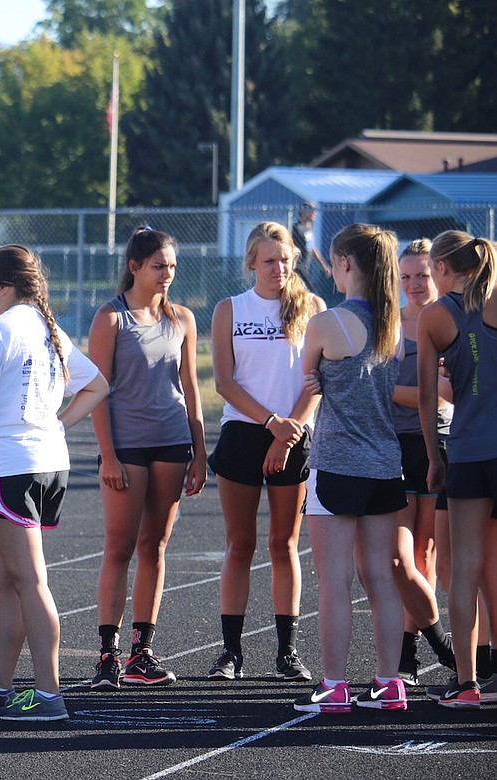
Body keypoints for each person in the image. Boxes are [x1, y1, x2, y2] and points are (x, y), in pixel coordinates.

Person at [0, 244, 107, 722]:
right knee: (8, 580)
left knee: (29, 581)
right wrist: (54, 424)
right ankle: (0, 684)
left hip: (11, 465)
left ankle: (50, 695)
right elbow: (97, 386)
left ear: (3, 286)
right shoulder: (47, 327)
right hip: (45, 462)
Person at [293, 223, 407, 714]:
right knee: (381, 577)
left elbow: (309, 377)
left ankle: (335, 685)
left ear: (344, 264)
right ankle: (390, 683)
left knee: (334, 580)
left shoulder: (325, 323)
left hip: (338, 465)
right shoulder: (395, 326)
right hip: (385, 464)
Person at [87, 226, 207, 688]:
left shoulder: (182, 318)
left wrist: (200, 453)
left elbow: (192, 390)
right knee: (119, 547)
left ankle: (142, 652)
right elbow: (97, 391)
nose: (167, 274)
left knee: (154, 546)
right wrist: (108, 456)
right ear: (134, 266)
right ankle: (107, 655)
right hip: (128, 445)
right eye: (159, 266)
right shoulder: (111, 318)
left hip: (172, 441)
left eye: (172, 266)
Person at [206, 222, 324, 683]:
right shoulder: (230, 309)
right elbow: (224, 382)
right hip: (245, 431)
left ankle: (287, 652)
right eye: (269, 260)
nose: (279, 268)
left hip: (293, 435)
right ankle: (230, 653)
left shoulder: (313, 307)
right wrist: (270, 423)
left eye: (286, 259)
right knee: (240, 544)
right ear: (251, 262)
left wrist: (285, 433)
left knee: (284, 544)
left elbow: (317, 382)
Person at [417, 230, 497, 709]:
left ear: (441, 268)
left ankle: (466, 683)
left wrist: (433, 458)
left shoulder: (436, 315)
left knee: (464, 569)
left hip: (467, 453)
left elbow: (427, 398)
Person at [389, 239, 456, 684]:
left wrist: (389, 391)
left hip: (438, 442)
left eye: (423, 275)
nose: (414, 284)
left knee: (426, 551)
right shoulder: (388, 325)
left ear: (437, 274)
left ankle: (407, 654)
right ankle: (435, 643)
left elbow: (447, 395)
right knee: (397, 557)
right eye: (406, 276)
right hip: (392, 444)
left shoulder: (449, 321)